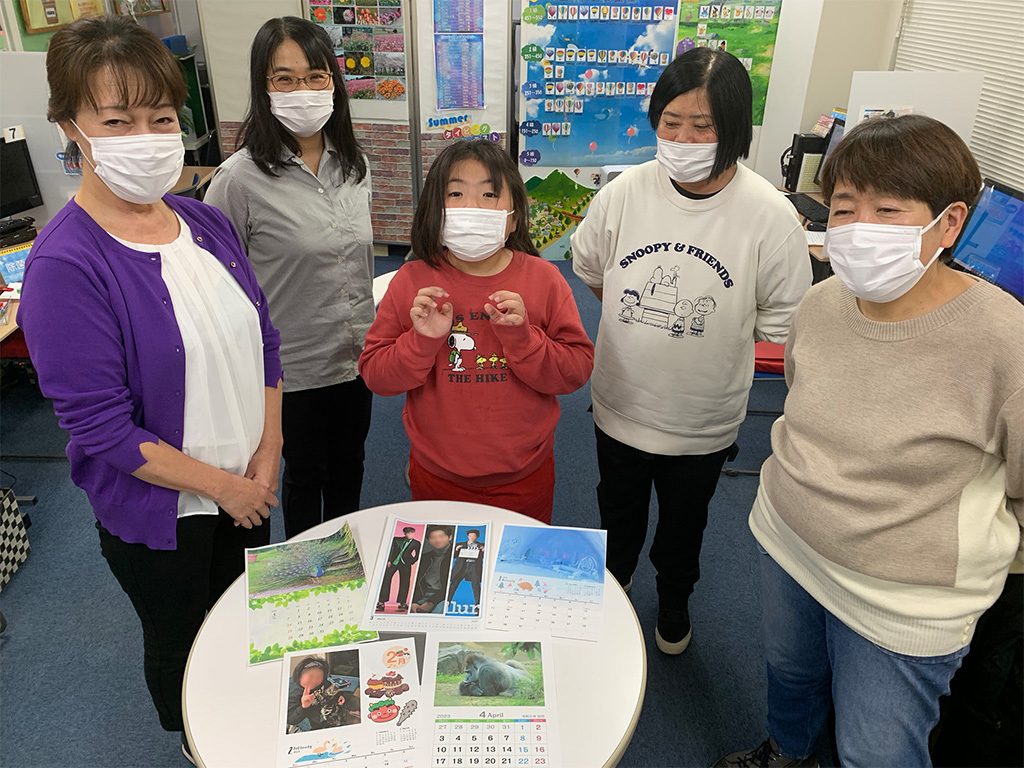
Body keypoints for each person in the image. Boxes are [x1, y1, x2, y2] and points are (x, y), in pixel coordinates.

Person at [715, 115, 1023, 768]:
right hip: (788, 543)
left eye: (887, 210)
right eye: (845, 207)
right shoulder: (822, 304)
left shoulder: (1005, 339)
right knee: (790, 678)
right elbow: (802, 401)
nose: (858, 228)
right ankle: (788, 752)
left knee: (876, 750)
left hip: (902, 605)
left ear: (950, 223)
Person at [16, 16, 283, 764]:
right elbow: (103, 429)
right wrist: (225, 489)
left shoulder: (203, 222)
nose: (146, 137)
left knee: (246, 624)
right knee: (183, 642)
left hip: (249, 486)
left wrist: (268, 453)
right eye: (117, 120)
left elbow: (264, 341)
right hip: (168, 512)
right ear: (70, 127)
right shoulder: (66, 265)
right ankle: (200, 745)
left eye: (161, 118)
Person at [570, 48, 811, 654]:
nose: (681, 139)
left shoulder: (770, 216)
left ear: (734, 129)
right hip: (620, 402)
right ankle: (615, 589)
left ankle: (674, 600)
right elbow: (595, 273)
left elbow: (779, 321)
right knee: (616, 514)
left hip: (703, 419)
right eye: (670, 122)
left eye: (701, 126)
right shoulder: (624, 193)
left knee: (684, 525)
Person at [359, 139, 594, 523]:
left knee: (516, 561)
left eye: (489, 194)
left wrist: (524, 339)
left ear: (513, 218)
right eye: (455, 193)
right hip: (437, 473)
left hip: (525, 473)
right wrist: (420, 341)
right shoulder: (412, 281)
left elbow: (575, 372)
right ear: (435, 210)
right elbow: (378, 376)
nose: (472, 207)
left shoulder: (545, 279)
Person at [205, 16, 374, 539]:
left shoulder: (354, 164)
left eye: (316, 76)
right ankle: (310, 570)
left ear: (333, 83)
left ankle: (348, 561)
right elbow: (215, 285)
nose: (303, 90)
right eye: (285, 78)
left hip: (356, 357)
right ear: (264, 87)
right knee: (305, 477)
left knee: (350, 466)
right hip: (292, 371)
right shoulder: (238, 180)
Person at [286, 657, 357, 731]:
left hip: (323, 709)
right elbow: (291, 720)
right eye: (311, 676)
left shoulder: (322, 683)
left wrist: (339, 696)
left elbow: (330, 688)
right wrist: (304, 706)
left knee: (349, 698)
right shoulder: (293, 693)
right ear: (299, 675)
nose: (315, 680)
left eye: (319, 677)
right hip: (305, 718)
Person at [410, 526, 455, 614]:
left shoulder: (456, 556)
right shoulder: (425, 558)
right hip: (424, 595)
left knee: (437, 613)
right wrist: (414, 601)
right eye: (433, 537)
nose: (437, 540)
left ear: (450, 537)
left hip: (444, 597)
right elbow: (416, 582)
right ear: (428, 540)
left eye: (441, 536)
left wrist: (431, 602)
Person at [375, 526, 421, 611]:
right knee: (386, 579)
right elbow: (391, 550)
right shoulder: (396, 540)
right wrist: (389, 560)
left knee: (405, 582)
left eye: (411, 533)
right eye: (408, 533)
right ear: (405, 533)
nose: (410, 535)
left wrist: (411, 561)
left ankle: (402, 603)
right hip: (394, 562)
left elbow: (418, 554)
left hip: (405, 564)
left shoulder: (416, 543)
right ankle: (381, 602)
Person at [448, 528, 485, 609]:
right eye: (470, 536)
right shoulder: (459, 544)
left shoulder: (482, 545)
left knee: (476, 585)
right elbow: (452, 556)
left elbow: (486, 557)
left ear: (477, 537)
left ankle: (478, 604)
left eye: (474, 536)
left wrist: (484, 551)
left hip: (474, 567)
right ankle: (447, 601)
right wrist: (456, 549)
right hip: (462, 567)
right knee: (453, 584)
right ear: (468, 536)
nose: (472, 537)